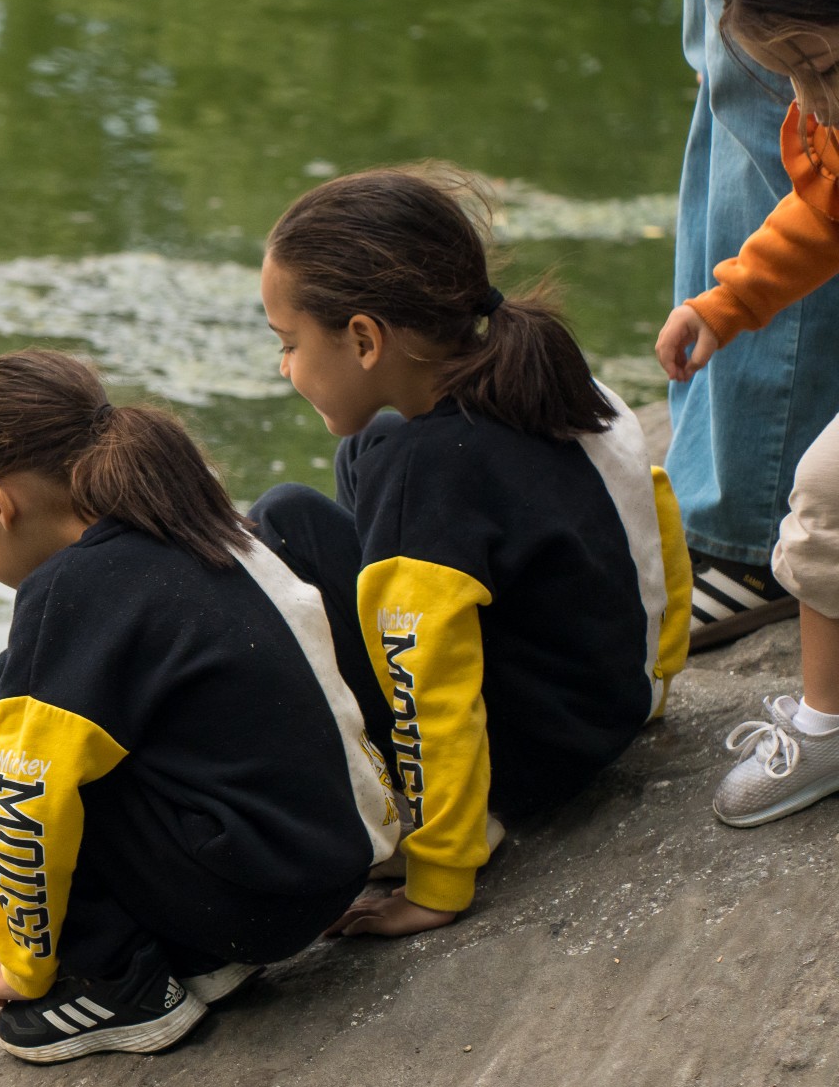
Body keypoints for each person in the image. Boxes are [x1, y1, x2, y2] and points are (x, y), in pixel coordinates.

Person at [257, 167, 692, 939]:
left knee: (285, 521)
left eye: (288, 344)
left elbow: (430, 684)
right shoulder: (550, 373)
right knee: (370, 448)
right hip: (610, 704)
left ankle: (452, 815)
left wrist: (439, 875)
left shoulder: (429, 473)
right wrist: (652, 680)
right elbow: (650, 500)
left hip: (529, 763)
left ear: (363, 338)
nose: (283, 367)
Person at [0, 349, 400, 1064]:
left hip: (256, 903)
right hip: (334, 865)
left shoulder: (71, 590)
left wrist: (28, 967)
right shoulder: (195, 518)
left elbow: (31, 804)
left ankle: (120, 986)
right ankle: (205, 959)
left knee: (7, 695)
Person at [657, 0, 839, 826]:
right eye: (791, 78)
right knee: (825, 495)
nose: (808, 104)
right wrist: (720, 306)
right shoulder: (830, 130)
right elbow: (815, 222)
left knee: (812, 497)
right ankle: (828, 717)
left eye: (824, 69)